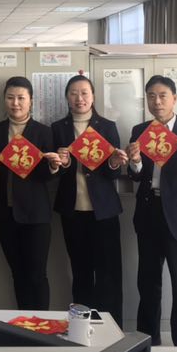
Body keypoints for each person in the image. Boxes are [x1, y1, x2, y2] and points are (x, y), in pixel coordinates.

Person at [125, 75, 177, 346]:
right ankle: (148, 340)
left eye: (162, 96)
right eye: (151, 96)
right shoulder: (140, 130)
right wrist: (135, 162)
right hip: (149, 212)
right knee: (148, 282)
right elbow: (136, 176)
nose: (157, 101)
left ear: (174, 98)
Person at [52, 74, 127, 326]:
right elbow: (55, 173)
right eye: (73, 93)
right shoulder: (58, 128)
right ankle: (82, 327)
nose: (79, 98)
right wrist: (61, 164)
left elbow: (112, 172)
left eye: (84, 92)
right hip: (72, 211)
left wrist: (114, 163)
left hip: (104, 211)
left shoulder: (107, 126)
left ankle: (112, 327)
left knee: (109, 273)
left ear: (93, 96)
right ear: (67, 97)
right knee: (80, 271)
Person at [0, 76, 61, 310]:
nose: (15, 103)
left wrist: (54, 166)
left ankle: (41, 323)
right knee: (17, 273)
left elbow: (48, 176)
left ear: (31, 101)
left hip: (36, 214)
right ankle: (23, 323)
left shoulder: (43, 132)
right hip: (5, 213)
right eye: (10, 98)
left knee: (37, 274)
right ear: (4, 100)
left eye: (21, 98)